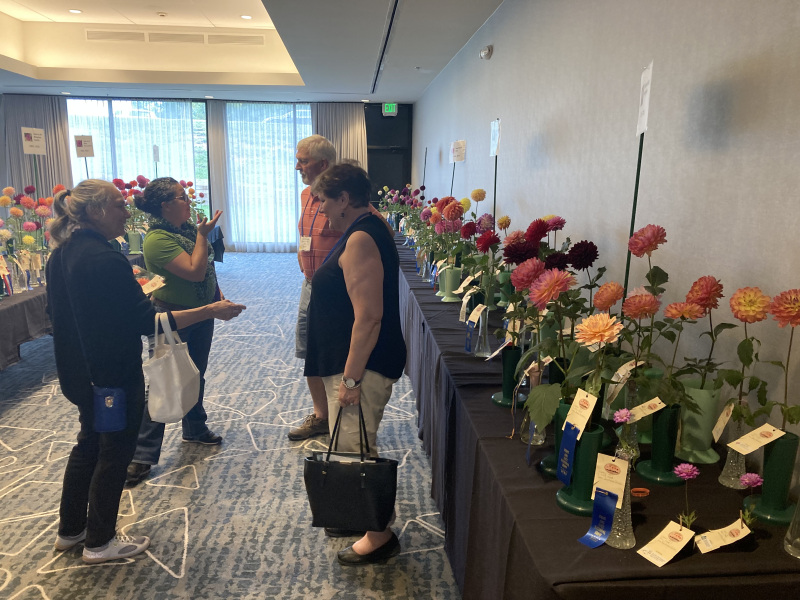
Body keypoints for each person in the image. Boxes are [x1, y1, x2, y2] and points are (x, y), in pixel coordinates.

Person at [46, 180, 245, 564]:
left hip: (79, 372)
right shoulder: (105, 259)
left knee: (88, 445)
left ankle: (71, 531)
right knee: (114, 453)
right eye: (119, 205)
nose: (127, 212)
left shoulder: (62, 254)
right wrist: (209, 311)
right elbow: (147, 322)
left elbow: (56, 315)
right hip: (112, 376)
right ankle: (99, 542)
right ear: (96, 212)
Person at [304, 164, 407, 565]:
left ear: (344, 199)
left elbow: (369, 318)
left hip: (363, 364)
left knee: (355, 446)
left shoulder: (362, 237)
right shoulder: (362, 228)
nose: (320, 209)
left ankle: (379, 535)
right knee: (349, 444)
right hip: (351, 359)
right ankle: (356, 514)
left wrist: (350, 379)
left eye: (324, 201)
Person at [126, 177, 234, 485]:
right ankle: (141, 455)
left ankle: (195, 428)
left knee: (195, 374)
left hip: (201, 312)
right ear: (165, 206)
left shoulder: (184, 229)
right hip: (171, 318)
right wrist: (202, 235)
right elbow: (194, 271)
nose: (188, 201)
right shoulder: (156, 239)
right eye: (181, 197)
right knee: (164, 383)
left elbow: (208, 269)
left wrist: (217, 297)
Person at [289, 134, 337, 441]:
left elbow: (375, 230)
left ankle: (343, 415)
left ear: (322, 164)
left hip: (337, 290)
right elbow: (306, 233)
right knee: (309, 349)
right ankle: (321, 417)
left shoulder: (344, 196)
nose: (297, 167)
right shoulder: (307, 193)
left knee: (335, 352)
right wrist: (303, 256)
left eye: (303, 161)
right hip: (310, 284)